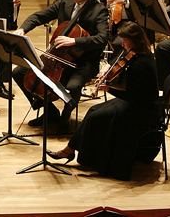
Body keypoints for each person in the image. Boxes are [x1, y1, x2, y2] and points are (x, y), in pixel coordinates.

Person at [46, 21, 160, 180]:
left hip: (141, 109)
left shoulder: (140, 64)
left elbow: (130, 95)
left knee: (95, 116)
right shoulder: (142, 54)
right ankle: (71, 150)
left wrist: (108, 89)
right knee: (93, 110)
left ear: (135, 40)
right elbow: (124, 66)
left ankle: (80, 154)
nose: (123, 45)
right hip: (137, 101)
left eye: (125, 41)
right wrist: (108, 68)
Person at [11, 0, 109, 134]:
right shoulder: (66, 0)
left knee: (73, 86)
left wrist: (75, 41)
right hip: (57, 57)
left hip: (83, 62)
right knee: (19, 72)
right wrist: (23, 29)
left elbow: (102, 38)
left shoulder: (99, 10)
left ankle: (65, 116)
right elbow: (41, 16)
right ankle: (50, 112)